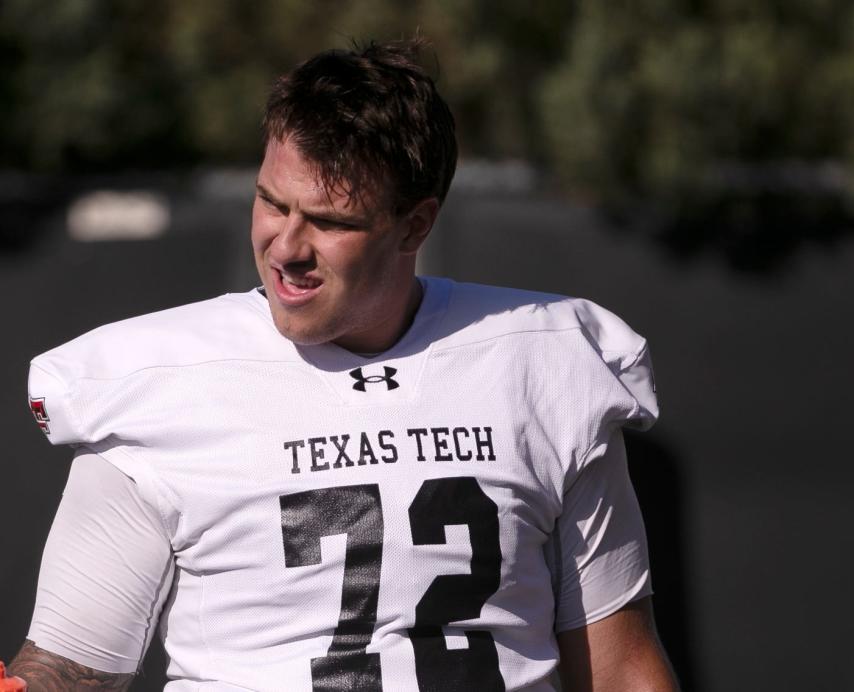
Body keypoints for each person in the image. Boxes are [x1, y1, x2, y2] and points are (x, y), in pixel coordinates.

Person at [10, 39, 680, 691]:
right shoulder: (150, 387)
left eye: (330, 222)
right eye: (272, 201)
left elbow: (620, 667)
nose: (286, 246)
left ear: (415, 225)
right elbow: (71, 674)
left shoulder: (544, 365)